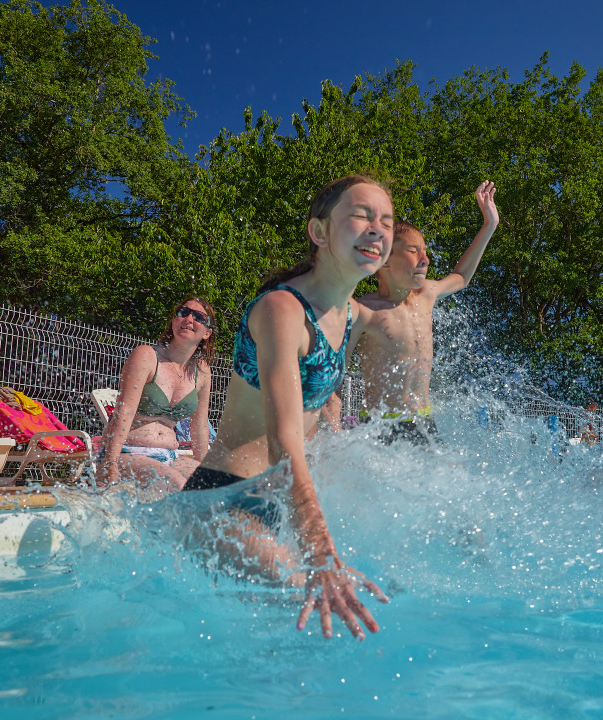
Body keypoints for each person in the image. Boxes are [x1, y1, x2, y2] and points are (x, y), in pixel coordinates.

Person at [186, 174, 392, 640]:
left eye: (387, 220)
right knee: (313, 605)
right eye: (361, 215)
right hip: (221, 500)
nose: (378, 229)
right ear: (319, 233)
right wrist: (320, 549)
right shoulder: (283, 309)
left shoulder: (352, 314)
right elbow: (285, 440)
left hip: (275, 502)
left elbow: (427, 295)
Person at [340, 180, 499, 444]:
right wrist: (334, 430)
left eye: (424, 251)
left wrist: (489, 226)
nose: (425, 259)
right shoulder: (363, 311)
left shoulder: (426, 295)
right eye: (413, 251)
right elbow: (333, 378)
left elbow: (461, 276)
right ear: (385, 259)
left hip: (424, 422)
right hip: (381, 427)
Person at [95, 297, 214, 497]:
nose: (189, 319)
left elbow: (200, 427)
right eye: (183, 312)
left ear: (207, 333)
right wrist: (110, 462)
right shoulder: (147, 356)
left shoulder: (202, 372)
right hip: (129, 451)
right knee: (178, 485)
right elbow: (124, 410)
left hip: (170, 456)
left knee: (214, 491)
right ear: (174, 320)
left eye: (199, 317)